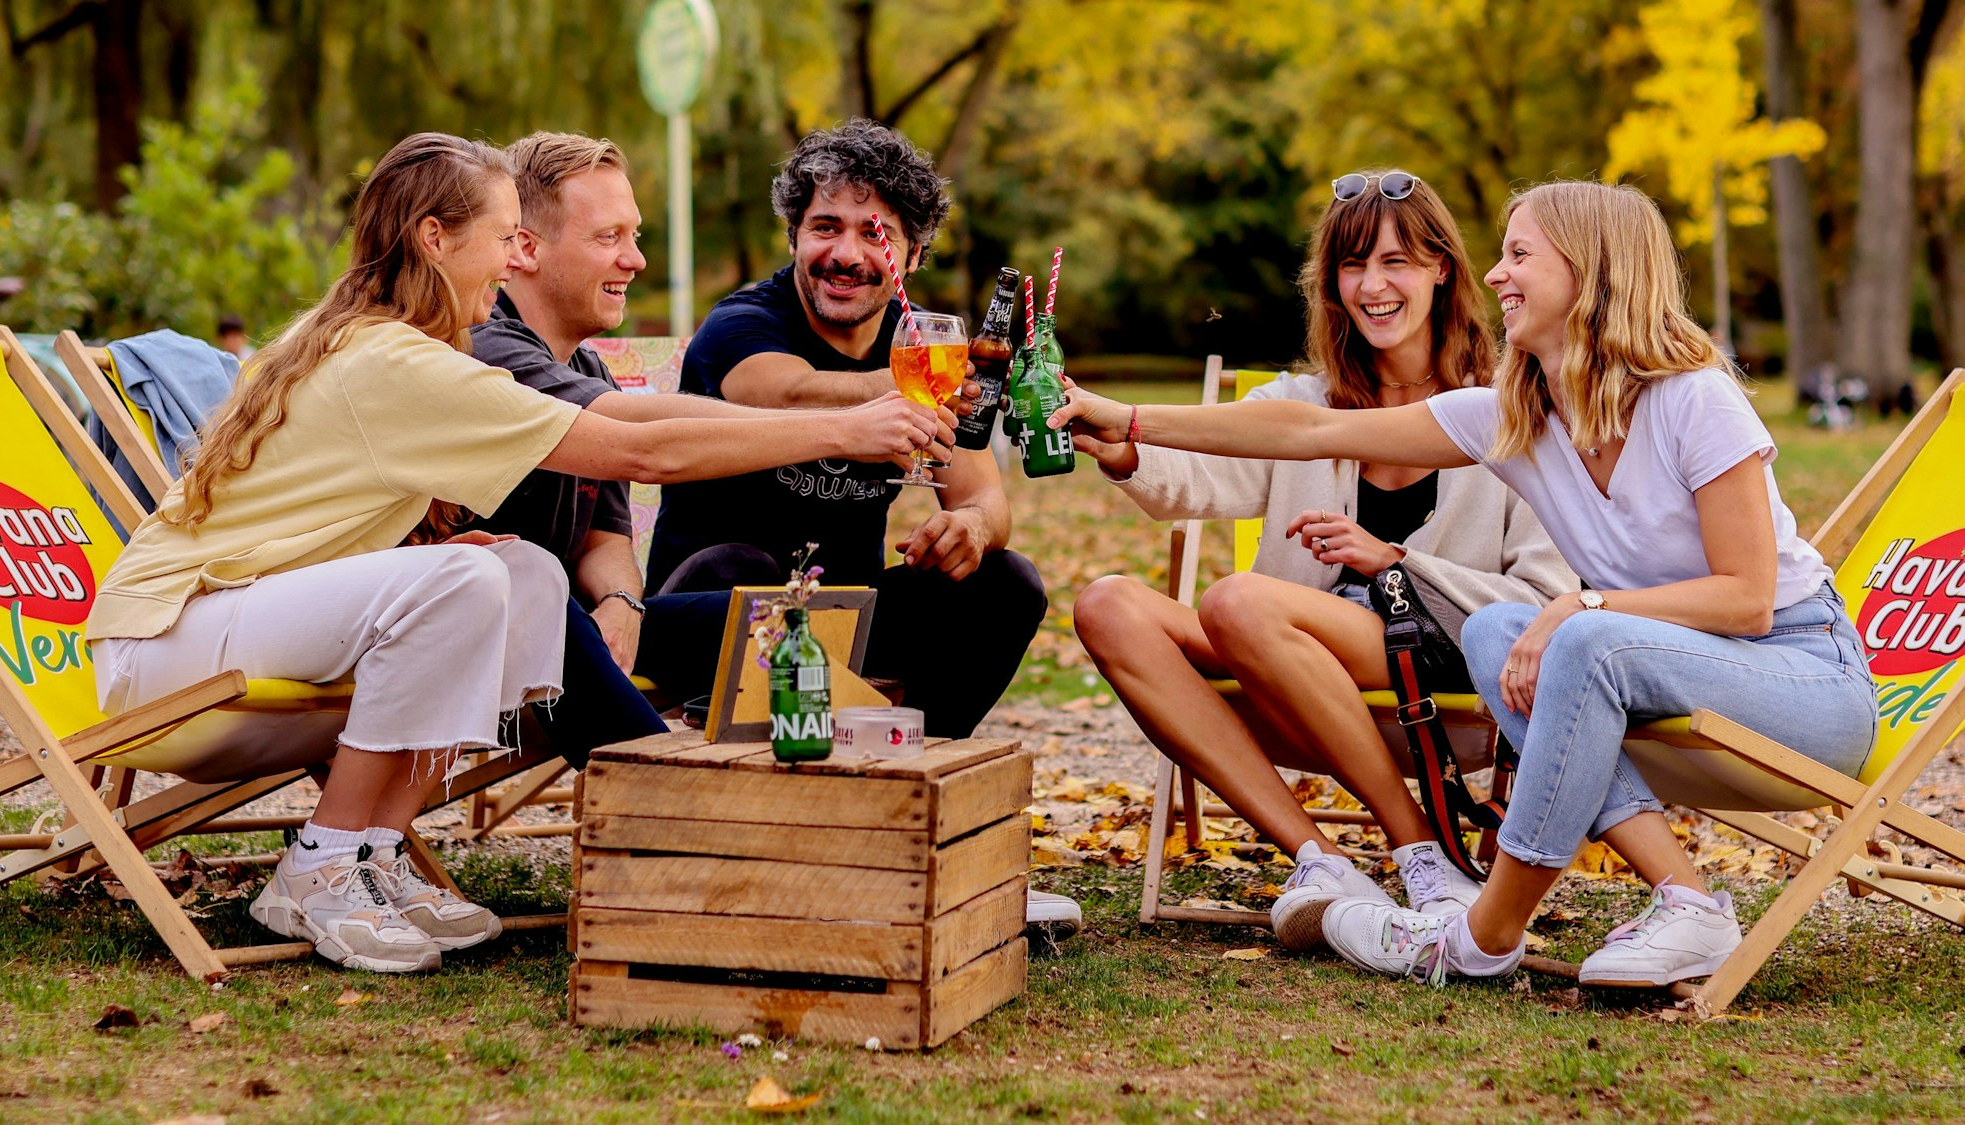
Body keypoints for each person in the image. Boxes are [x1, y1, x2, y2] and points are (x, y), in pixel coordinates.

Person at [87, 133, 953, 974]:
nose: (511, 263)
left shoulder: (408, 347)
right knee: (465, 574)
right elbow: (637, 452)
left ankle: (376, 852)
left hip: (239, 631)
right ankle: (320, 864)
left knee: (524, 570)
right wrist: (840, 427)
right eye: (503, 239)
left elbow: (626, 423)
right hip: (168, 651)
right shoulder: (396, 361)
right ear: (437, 239)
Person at [1050, 180, 1878, 990]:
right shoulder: (1521, 414)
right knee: (1502, 634)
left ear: (1589, 273)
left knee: (1571, 635)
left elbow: (1747, 600)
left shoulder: (1695, 401)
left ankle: (1478, 934)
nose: (1495, 274)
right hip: (1661, 671)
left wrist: (1578, 604)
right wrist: (1127, 419)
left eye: (1519, 254)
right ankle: (1690, 899)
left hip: (1800, 678)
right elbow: (1309, 428)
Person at [1072, 172, 1575, 950]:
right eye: (1352, 266)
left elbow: (1545, 596)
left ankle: (1424, 850)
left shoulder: (1510, 409)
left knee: (1240, 600)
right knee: (1107, 603)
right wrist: (1125, 448)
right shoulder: (1304, 402)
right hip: (1291, 686)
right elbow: (1196, 475)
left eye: (1396, 261)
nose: (1372, 286)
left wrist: (1397, 565)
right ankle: (1322, 858)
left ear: (1444, 268)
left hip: (1443, 697)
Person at [644, 119, 1072, 937]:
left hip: (850, 618)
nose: (845, 253)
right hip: (709, 613)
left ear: (911, 257)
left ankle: (903, 813)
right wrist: (908, 389)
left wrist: (971, 530)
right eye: (823, 228)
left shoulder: (928, 340)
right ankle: (769, 839)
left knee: (1007, 582)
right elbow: (778, 391)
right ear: (795, 236)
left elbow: (985, 496)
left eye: (874, 234)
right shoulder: (745, 323)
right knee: (742, 563)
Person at [462, 131, 915, 767]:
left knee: (783, 624)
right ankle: (663, 805)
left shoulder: (589, 364)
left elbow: (605, 538)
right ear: (528, 248)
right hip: (478, 624)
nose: (635, 260)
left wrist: (621, 603)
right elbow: (642, 446)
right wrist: (846, 429)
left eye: (635, 236)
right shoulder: (487, 350)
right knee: (535, 591)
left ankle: (846, 786)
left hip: (573, 626)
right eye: (608, 238)